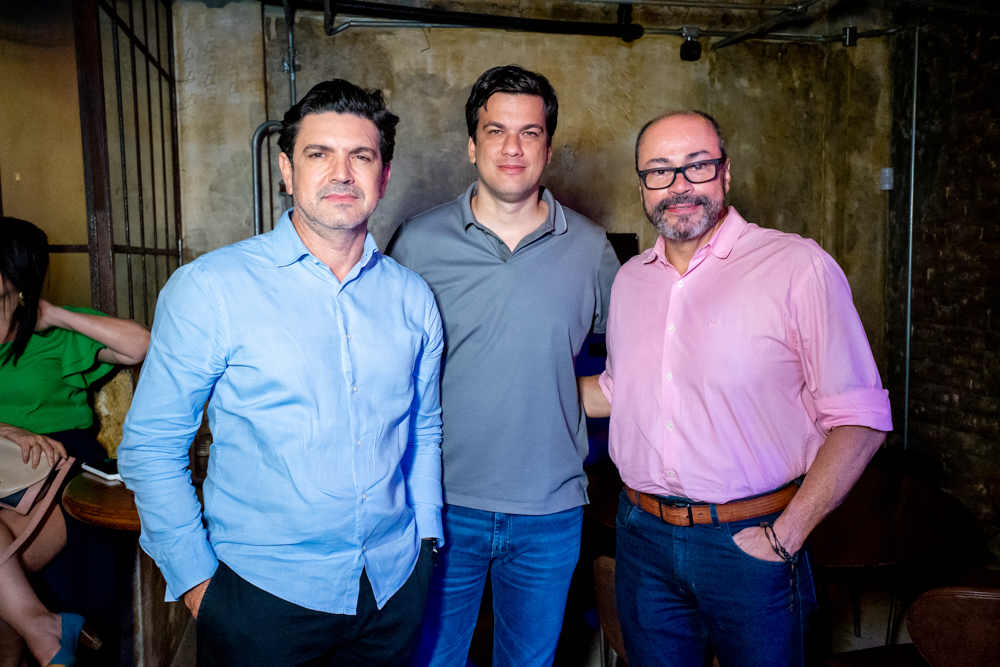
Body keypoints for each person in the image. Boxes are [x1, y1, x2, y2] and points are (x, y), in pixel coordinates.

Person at [118, 79, 444, 667]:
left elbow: (424, 428)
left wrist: (426, 542)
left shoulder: (413, 297)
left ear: (384, 176)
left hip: (393, 588)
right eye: (319, 154)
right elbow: (151, 447)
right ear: (287, 171)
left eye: (361, 156)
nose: (342, 173)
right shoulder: (210, 289)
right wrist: (199, 586)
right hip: (259, 599)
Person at [578, 111, 893, 667]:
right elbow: (620, 391)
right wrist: (504, 381)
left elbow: (861, 419)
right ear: (643, 186)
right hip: (642, 538)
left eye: (696, 166)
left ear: (725, 173)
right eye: (659, 170)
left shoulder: (797, 266)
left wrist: (785, 536)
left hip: (750, 541)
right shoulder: (631, 281)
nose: (679, 185)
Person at [388, 65, 619, 667]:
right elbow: (382, 369)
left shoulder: (592, 248)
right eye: (496, 131)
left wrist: (554, 391)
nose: (512, 147)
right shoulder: (416, 243)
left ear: (549, 147)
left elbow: (642, 368)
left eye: (530, 132)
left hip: (550, 511)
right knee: (433, 660)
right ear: (472, 146)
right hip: (439, 504)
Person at [1, 216, 149, 667]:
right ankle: (45, 630)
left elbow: (140, 345)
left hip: (56, 461)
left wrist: (53, 315)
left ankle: (44, 633)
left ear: (18, 283)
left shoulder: (51, 335)